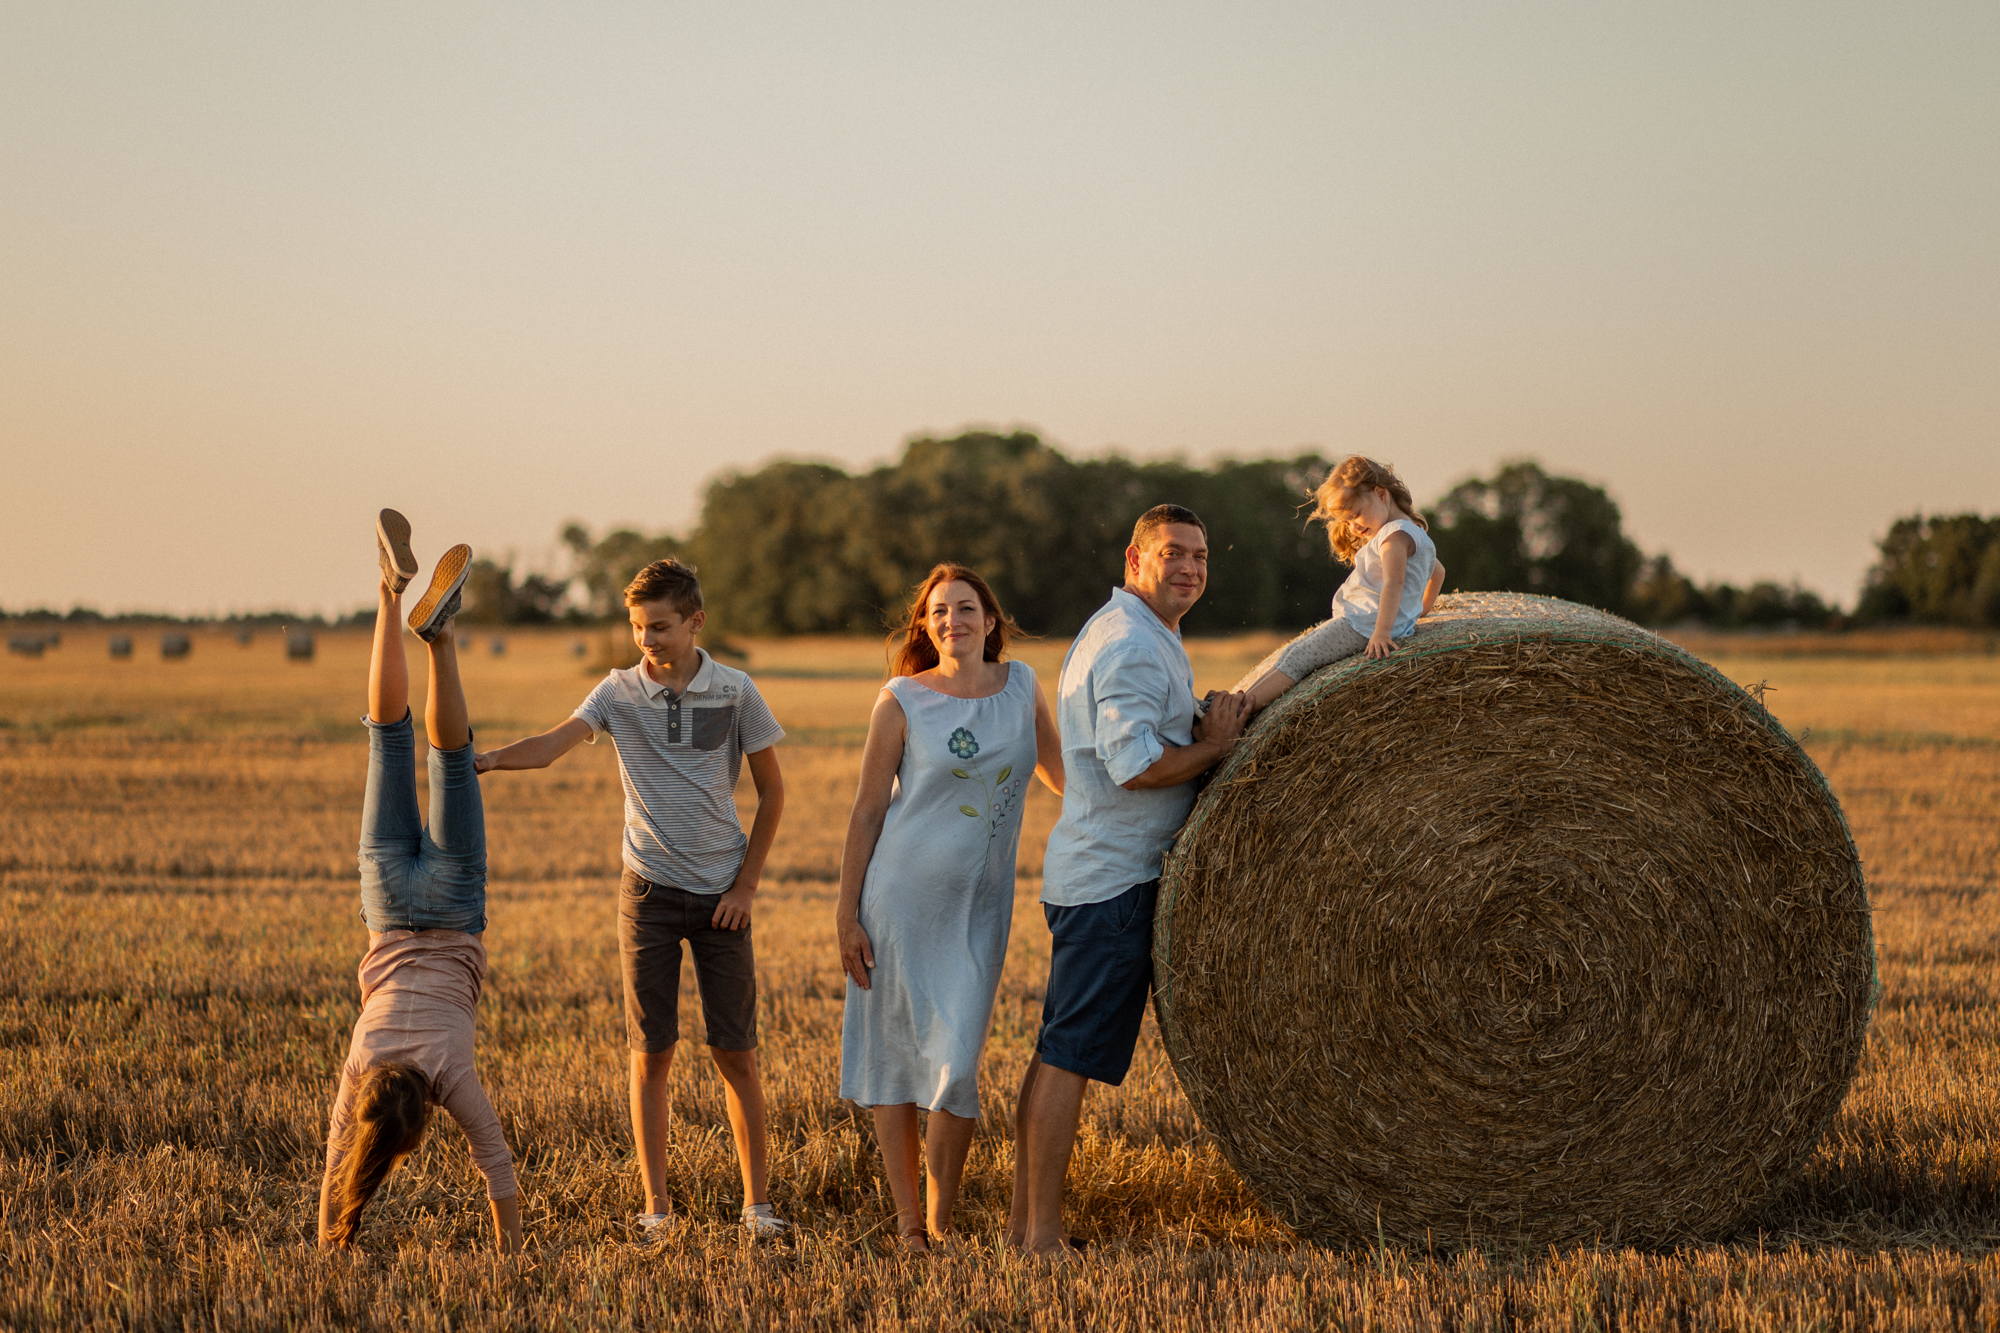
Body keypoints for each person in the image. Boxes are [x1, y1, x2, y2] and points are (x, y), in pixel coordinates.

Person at [474, 559, 790, 1238]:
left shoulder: (736, 691)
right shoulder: (616, 692)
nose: (648, 639)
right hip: (645, 893)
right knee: (651, 1054)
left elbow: (774, 795)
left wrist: (746, 886)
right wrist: (492, 758)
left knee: (736, 1053)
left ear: (696, 621)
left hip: (721, 899)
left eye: (661, 626)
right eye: (638, 627)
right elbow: (555, 743)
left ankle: (757, 1206)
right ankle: (656, 1209)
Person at [1008, 505, 1250, 1260]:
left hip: (1099, 877)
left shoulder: (1141, 633)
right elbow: (1137, 765)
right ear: (1135, 557)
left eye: (1201, 556)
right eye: (1173, 553)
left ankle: (1024, 1225)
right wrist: (1215, 746)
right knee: (1070, 1056)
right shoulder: (1131, 646)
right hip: (1111, 886)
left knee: (1057, 1051)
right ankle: (1041, 1236)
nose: (1189, 567)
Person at [835, 564, 1064, 1253]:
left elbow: (1063, 777)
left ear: (990, 620)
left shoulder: (1021, 686)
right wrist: (846, 913)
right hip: (898, 902)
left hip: (979, 911)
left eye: (966, 608)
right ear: (925, 624)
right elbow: (868, 809)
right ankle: (913, 1224)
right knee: (897, 1060)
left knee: (957, 1065)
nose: (952, 620)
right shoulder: (902, 698)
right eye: (939, 611)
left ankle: (941, 1218)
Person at [319, 509, 521, 1252]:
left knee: (450, 757)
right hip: (387, 902)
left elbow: (497, 1170)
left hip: (456, 905)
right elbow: (338, 1157)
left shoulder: (451, 1075)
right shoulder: (362, 1063)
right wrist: (327, 1237)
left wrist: (513, 1256)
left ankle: (441, 639)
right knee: (384, 741)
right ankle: (389, 593)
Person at [1236, 456, 1445, 711]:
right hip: (1366, 622)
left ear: (1381, 494)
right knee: (1293, 653)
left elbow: (1394, 582)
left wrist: (1382, 630)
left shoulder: (1394, 536)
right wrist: (1418, 611)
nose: (1353, 527)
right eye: (1346, 522)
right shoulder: (1417, 535)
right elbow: (1438, 573)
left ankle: (1239, 711)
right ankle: (1238, 701)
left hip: (1364, 624)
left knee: (1299, 659)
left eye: (1356, 515)